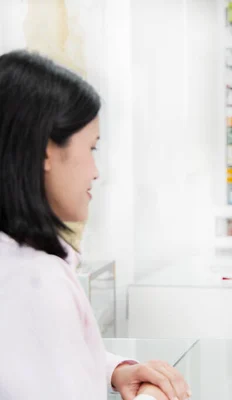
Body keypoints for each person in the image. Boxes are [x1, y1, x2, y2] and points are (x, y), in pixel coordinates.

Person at [0, 50, 190, 400]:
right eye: (92, 148)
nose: (96, 172)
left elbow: (34, 360)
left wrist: (115, 369)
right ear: (46, 151)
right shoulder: (33, 282)